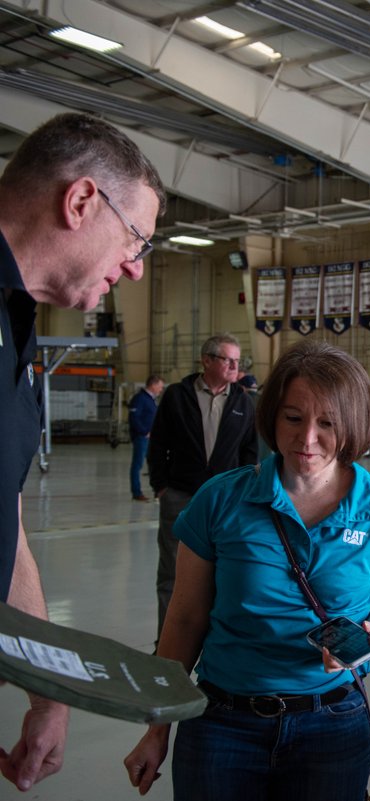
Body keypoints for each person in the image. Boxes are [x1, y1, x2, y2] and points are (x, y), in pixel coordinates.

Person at [123, 340, 370, 801]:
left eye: (327, 423)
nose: (306, 439)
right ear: (272, 417)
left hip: (332, 724)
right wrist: (156, 726)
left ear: (354, 424)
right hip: (221, 725)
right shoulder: (220, 499)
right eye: (293, 418)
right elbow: (183, 619)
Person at [0, 112, 164, 792]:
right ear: (81, 201)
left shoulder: (17, 324)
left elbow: (3, 522)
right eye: (137, 241)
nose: (132, 271)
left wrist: (50, 689)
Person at [147, 334, 258, 638]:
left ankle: (212, 641)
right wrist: (161, 486)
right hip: (180, 495)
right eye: (228, 360)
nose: (236, 366)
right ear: (206, 360)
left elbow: (250, 451)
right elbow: (158, 444)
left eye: (238, 361)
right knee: (172, 573)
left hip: (226, 501)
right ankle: (167, 643)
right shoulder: (176, 395)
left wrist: (243, 492)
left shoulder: (243, 402)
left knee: (227, 571)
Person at [129, 375, 165, 501]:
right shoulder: (140, 399)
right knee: (137, 465)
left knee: (154, 464)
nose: (161, 390)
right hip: (142, 438)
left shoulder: (150, 399)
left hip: (151, 438)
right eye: (160, 387)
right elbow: (134, 418)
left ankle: (157, 490)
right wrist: (144, 432)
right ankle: (136, 492)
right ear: (153, 385)